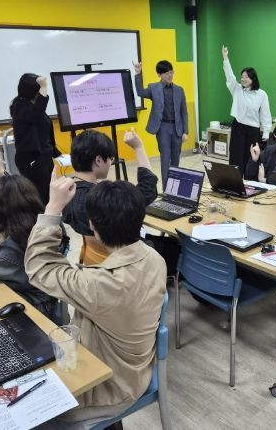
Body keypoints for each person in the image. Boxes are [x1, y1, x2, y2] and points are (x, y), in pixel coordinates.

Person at [26, 175, 167, 429]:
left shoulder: (98, 285)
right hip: (135, 372)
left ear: (92, 225)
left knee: (28, 407)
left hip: (109, 391)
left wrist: (53, 208)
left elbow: (38, 267)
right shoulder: (154, 258)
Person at [0, 156, 61, 321]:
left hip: (37, 308)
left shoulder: (13, 247)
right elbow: (15, 194)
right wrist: (1, 174)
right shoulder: (46, 225)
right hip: (47, 298)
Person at [62, 127, 158, 265]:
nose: (111, 163)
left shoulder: (66, 194)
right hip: (130, 262)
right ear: (98, 160)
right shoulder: (105, 200)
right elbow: (148, 189)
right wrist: (138, 147)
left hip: (94, 260)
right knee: (174, 246)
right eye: (110, 159)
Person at [133, 60, 188, 188]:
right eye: (166, 73)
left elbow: (184, 112)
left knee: (176, 160)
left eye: (171, 72)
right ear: (159, 75)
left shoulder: (179, 90)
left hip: (177, 128)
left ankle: (174, 188)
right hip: (162, 128)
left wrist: (185, 131)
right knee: (165, 159)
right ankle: (166, 189)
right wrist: (138, 74)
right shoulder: (153, 88)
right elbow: (140, 92)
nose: (170, 75)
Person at [10, 73, 61, 204]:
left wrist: (53, 151)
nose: (42, 92)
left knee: (49, 192)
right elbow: (35, 114)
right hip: (32, 158)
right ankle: (40, 216)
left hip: (44, 156)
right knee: (40, 195)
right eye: (39, 89)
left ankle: (50, 215)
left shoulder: (33, 106)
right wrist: (43, 87)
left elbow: (42, 125)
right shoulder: (20, 106)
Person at [222, 45, 272, 174]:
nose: (243, 79)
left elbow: (265, 114)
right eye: (242, 76)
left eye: (246, 77)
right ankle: (235, 181)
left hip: (253, 130)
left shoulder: (261, 94)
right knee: (236, 158)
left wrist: (266, 133)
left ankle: (250, 182)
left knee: (251, 159)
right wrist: (225, 58)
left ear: (253, 79)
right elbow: (229, 76)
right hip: (238, 127)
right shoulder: (237, 89)